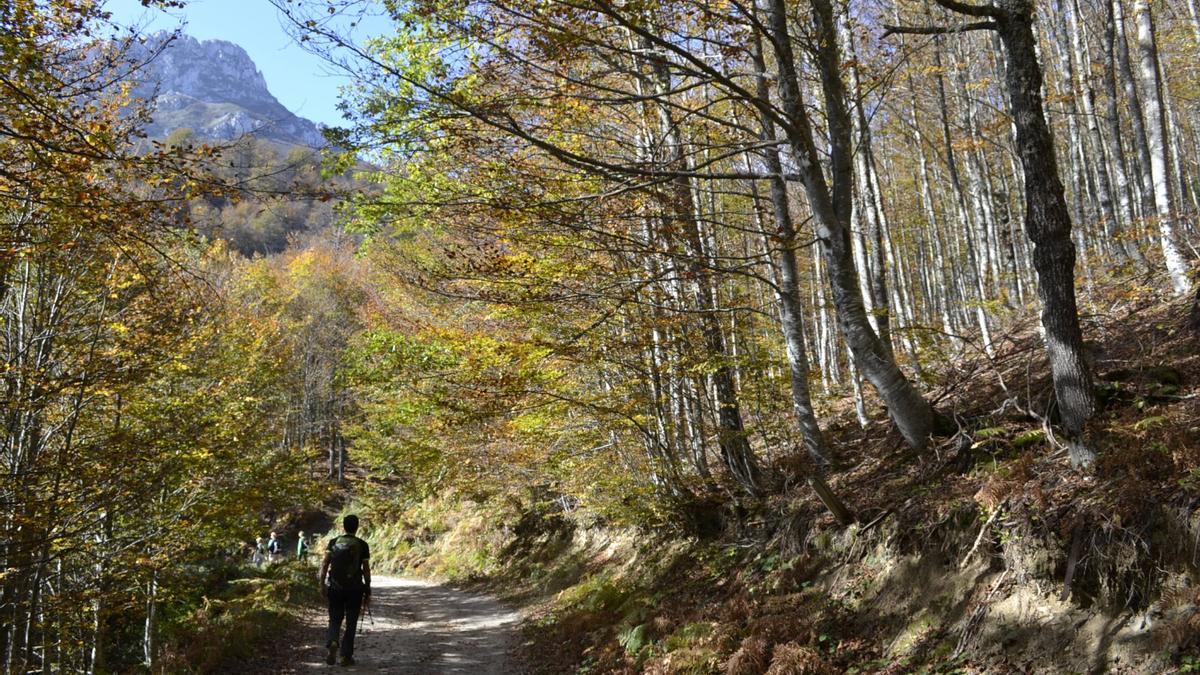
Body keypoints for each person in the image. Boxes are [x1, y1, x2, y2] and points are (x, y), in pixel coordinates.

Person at [320, 515, 371, 667]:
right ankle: (345, 657)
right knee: (351, 622)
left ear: (343, 526)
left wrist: (322, 583)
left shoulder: (333, 542)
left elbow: (324, 564)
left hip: (335, 587)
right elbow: (366, 570)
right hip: (354, 589)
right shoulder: (362, 544)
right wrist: (367, 587)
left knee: (335, 618)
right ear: (357, 527)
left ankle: (333, 641)